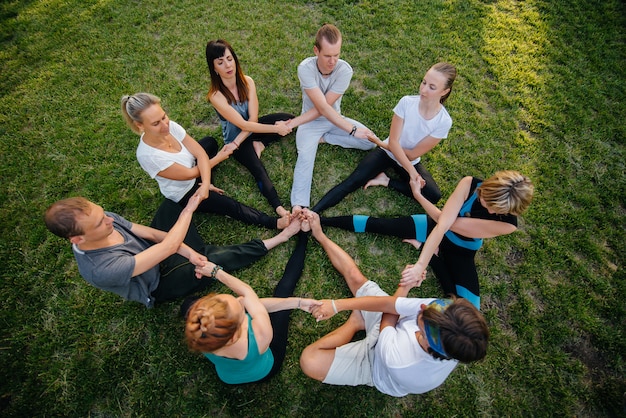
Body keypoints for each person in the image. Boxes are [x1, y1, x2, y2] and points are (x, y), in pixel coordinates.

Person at [298, 209, 489, 396]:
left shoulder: (402, 362)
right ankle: (320, 235)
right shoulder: (444, 317)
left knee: (309, 360)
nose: (423, 306)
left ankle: (355, 323)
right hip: (391, 327)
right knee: (356, 278)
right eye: (436, 305)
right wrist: (336, 305)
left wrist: (405, 287)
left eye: (423, 317)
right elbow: (391, 305)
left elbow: (388, 318)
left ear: (429, 343)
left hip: (376, 363)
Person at [320, 171, 534, 308]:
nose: (483, 203)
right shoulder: (470, 183)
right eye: (483, 196)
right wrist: (418, 264)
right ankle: (322, 221)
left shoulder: (508, 225)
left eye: (490, 206)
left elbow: (447, 222)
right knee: (381, 225)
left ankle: (432, 256)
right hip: (434, 227)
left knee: (469, 308)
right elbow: (441, 225)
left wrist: (419, 196)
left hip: (461, 249)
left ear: (506, 210)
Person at [43, 195, 301, 308]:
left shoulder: (102, 217)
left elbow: (153, 235)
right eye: (100, 223)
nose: (108, 219)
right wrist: (188, 212)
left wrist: (187, 251)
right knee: (211, 261)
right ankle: (279, 238)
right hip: (158, 282)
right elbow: (166, 247)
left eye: (102, 213)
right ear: (78, 238)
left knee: (172, 202)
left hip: (157, 250)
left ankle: (199, 232)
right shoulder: (101, 270)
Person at [121, 93, 290, 230]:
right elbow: (190, 174)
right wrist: (209, 175)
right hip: (186, 190)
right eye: (156, 123)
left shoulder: (170, 126)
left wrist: (206, 182)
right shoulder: (148, 156)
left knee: (209, 143)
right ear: (140, 126)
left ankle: (205, 182)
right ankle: (273, 222)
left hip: (195, 167)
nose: (165, 125)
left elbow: (200, 154)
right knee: (229, 205)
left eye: (164, 117)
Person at [183, 220, 319, 384]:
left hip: (229, 377)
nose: (241, 301)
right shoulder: (261, 335)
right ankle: (304, 238)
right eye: (241, 311)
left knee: (187, 305)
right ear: (234, 335)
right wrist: (216, 272)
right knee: (283, 291)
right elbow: (247, 294)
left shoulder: (201, 332)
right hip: (266, 368)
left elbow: (248, 300)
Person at [312, 62, 457, 213]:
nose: (423, 90)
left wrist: (380, 143)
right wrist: (412, 172)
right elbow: (394, 142)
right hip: (386, 153)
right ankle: (313, 212)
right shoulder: (407, 102)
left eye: (432, 87)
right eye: (424, 82)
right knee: (352, 181)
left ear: (444, 91)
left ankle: (386, 181)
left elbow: (412, 154)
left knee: (433, 195)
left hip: (408, 160)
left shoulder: (444, 121)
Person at [287, 23, 376, 210]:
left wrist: (352, 130)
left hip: (335, 119)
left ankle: (325, 138)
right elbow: (320, 108)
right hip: (310, 122)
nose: (332, 61)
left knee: (370, 141)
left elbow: (327, 109)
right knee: (305, 158)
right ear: (316, 51)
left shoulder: (345, 70)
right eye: (327, 55)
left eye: (337, 55)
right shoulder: (305, 68)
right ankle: (298, 205)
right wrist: (351, 130)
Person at [206, 39, 294, 219]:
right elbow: (243, 125)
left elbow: (253, 119)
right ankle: (278, 207)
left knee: (289, 119)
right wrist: (274, 130)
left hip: (252, 128)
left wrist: (272, 127)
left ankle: (259, 144)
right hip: (235, 141)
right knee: (258, 168)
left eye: (229, 59)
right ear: (214, 68)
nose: (227, 65)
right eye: (220, 62)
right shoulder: (216, 96)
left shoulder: (248, 82)